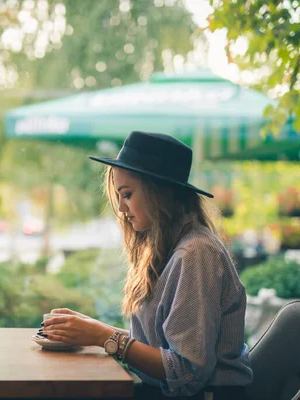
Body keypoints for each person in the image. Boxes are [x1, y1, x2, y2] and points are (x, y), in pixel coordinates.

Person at [42, 131, 253, 399]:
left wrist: (102, 336)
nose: (120, 208)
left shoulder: (196, 254)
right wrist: (90, 329)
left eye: (127, 194)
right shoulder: (170, 250)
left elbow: (186, 371)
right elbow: (159, 349)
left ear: (159, 193)